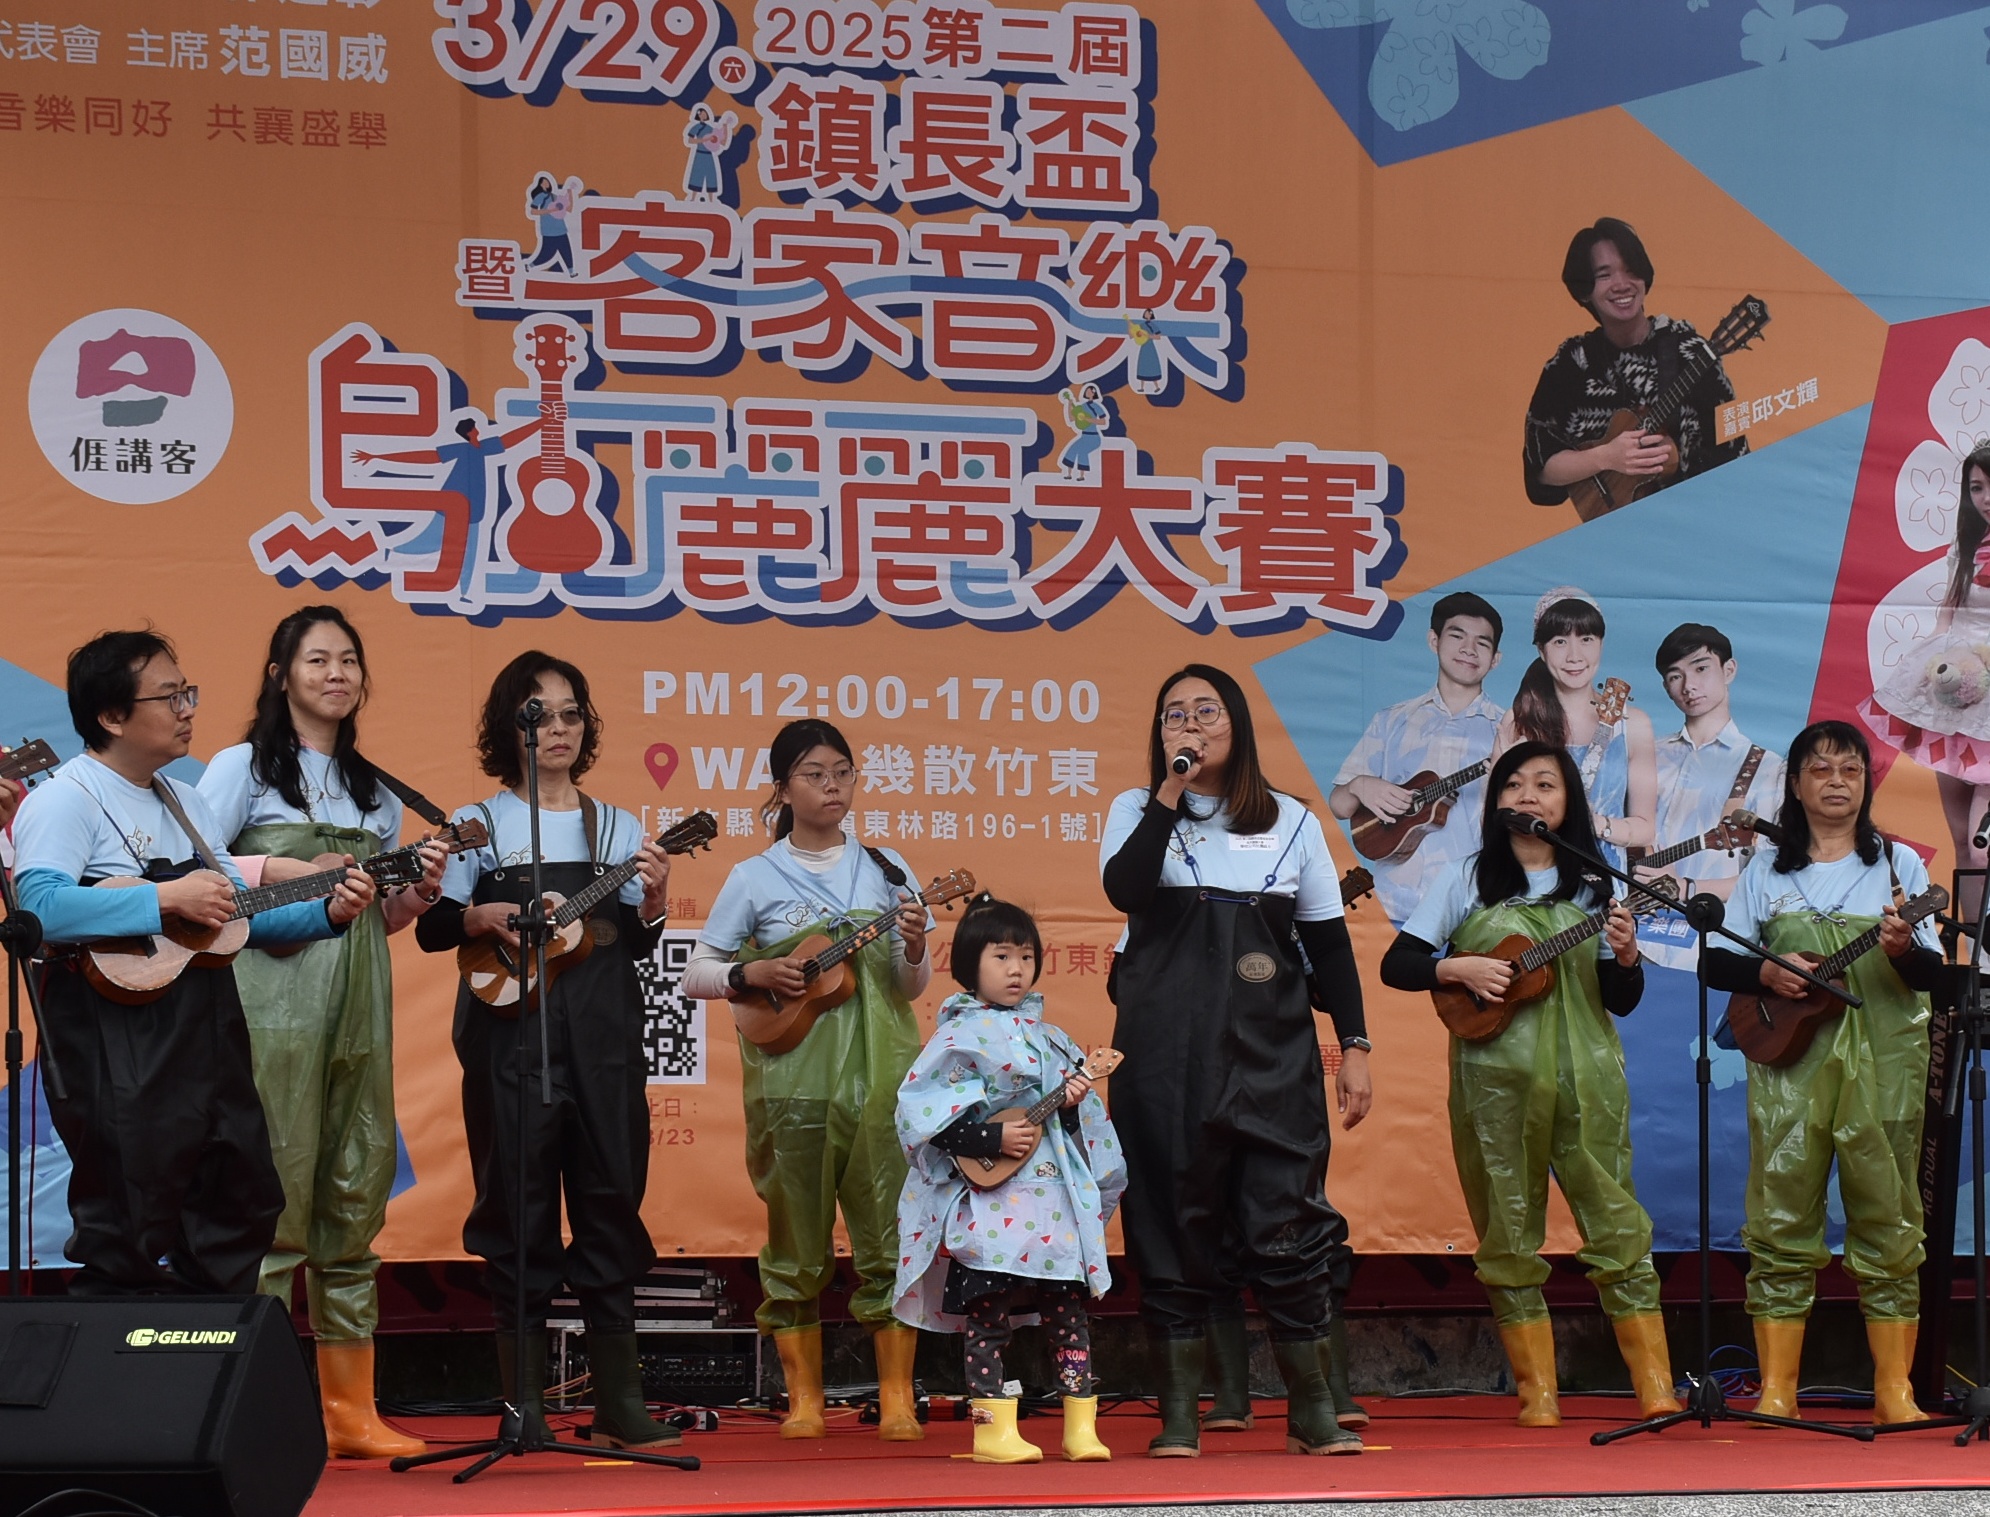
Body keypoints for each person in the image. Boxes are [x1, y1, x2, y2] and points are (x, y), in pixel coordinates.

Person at [12, 629, 374, 1297]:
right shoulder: (66, 796)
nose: (187, 710)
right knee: (129, 1208)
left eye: (188, 693)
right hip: (112, 1028)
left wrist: (328, 913)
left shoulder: (186, 799)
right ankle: (118, 1350)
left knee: (240, 1192)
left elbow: (231, 919)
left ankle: (209, 1343)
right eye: (169, 697)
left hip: (206, 1023)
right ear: (112, 715)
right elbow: (39, 909)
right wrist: (165, 897)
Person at [196, 606, 448, 1459]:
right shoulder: (240, 768)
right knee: (271, 1193)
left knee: (353, 1188)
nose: (336, 673)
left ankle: (350, 1413)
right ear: (281, 674)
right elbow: (194, 872)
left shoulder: (375, 787)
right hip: (272, 1001)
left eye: (348, 660)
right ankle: (251, 1410)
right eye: (317, 659)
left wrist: (419, 888)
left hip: (358, 1002)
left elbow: (383, 919)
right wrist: (286, 868)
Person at [413, 651, 681, 1451]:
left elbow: (634, 939)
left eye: (571, 714)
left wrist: (655, 900)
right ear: (509, 728)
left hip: (603, 1041)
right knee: (515, 1205)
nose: (558, 729)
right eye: (539, 715)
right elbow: (433, 927)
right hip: (508, 1037)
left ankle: (620, 1403)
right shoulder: (479, 823)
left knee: (609, 1199)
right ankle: (522, 1405)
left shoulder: (617, 827)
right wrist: (478, 914)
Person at [1100, 664, 1366, 1458]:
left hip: (1272, 1059)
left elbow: (1329, 945)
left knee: (1288, 1222)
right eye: (1173, 714)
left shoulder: (1292, 820)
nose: (1188, 724)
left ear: (1238, 724)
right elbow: (1126, 889)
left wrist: (1356, 1045)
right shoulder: (1136, 809)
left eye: (1205, 711)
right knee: (1169, 1224)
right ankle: (1181, 1414)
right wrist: (1170, 791)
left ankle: (1312, 1409)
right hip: (1164, 1062)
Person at [1379, 741, 1679, 1427]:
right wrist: (1456, 968)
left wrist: (1627, 956)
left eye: (1546, 783)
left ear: (1569, 801)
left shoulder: (1596, 886)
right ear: (1496, 802)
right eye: (1514, 784)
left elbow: (1622, 998)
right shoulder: (1466, 876)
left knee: (1616, 1223)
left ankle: (1656, 1385)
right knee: (1507, 1230)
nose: (1528, 795)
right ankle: (1537, 1392)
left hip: (1588, 1082)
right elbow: (1400, 963)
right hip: (1495, 1084)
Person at [680, 720, 930, 1441]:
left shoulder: (888, 869)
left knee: (888, 1234)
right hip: (790, 1087)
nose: (833, 787)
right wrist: (751, 971)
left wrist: (914, 945)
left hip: (880, 1084)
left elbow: (910, 988)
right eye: (815, 774)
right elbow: (698, 972)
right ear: (783, 788)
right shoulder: (753, 876)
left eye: (843, 772)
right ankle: (804, 1401)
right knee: (794, 1242)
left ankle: (898, 1397)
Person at [1701, 722, 1942, 1427]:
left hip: (1886, 1066)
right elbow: (1716, 960)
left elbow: (1931, 973)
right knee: (1779, 1214)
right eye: (1821, 768)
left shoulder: (1898, 866)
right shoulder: (1766, 871)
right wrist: (1767, 971)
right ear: (1796, 783)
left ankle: (1895, 1391)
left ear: (1866, 783)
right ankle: (1777, 1389)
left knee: (1890, 1214)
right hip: (1791, 1066)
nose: (1837, 781)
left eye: (1851, 769)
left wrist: (1900, 950)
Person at [892, 896, 1126, 1464]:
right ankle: (991, 1428)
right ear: (970, 963)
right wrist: (989, 1139)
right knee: (989, 1312)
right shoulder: (956, 1037)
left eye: (1025, 956)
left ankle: (1080, 1424)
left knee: (1067, 1311)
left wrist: (1071, 1104)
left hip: (1051, 1200)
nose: (1016, 969)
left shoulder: (1054, 1039)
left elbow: (1083, 1131)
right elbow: (924, 1116)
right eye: (1001, 956)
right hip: (990, 1202)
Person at [1523, 217, 1746, 511]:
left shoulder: (1690, 354)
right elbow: (1540, 471)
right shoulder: (1571, 365)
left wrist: (1681, 458)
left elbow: (1735, 454)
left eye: (1631, 271)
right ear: (1584, 289)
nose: (1621, 284)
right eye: (1604, 275)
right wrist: (1606, 457)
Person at [1862, 443, 1990, 924]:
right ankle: (1976, 955)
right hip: (1957, 698)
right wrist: (1926, 675)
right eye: (1976, 488)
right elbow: (1947, 618)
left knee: (1983, 846)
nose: (1985, 498)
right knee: (1962, 841)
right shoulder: (1968, 546)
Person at [1330, 591, 1506, 923]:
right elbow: (1340, 806)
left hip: (1475, 910)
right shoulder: (1391, 720)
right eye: (1457, 636)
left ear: (1495, 659)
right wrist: (1358, 785)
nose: (1469, 649)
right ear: (1433, 640)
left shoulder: (1509, 730)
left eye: (1482, 643)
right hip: (1394, 906)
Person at [1633, 623, 1786, 972]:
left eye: (1701, 668)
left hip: (1710, 948)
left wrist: (1687, 887)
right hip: (1630, 941)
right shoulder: (1646, 755)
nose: (1689, 686)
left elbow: (1771, 877)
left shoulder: (1769, 769)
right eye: (1675, 676)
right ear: (1666, 687)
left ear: (1728, 670)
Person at [1499, 588, 1655, 870]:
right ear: (1541, 650)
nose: (1574, 655)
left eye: (1586, 639)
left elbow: (1645, 828)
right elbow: (1494, 817)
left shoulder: (1634, 725)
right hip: (1529, 876)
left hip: (1603, 880)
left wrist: (1597, 824)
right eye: (1560, 641)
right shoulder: (1518, 720)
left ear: (1601, 644)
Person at [352, 409, 546, 606]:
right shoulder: (460, 449)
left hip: (475, 511)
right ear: (470, 432)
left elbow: (511, 439)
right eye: (475, 428)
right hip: (451, 505)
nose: (478, 430)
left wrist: (541, 423)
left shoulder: (485, 447)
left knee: (468, 554)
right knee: (429, 541)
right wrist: (379, 457)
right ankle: (389, 551)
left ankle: (464, 592)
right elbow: (426, 456)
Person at [682, 104, 736, 201]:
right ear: (698, 115)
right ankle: (693, 198)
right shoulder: (696, 127)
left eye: (705, 113)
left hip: (709, 155)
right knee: (697, 175)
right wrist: (704, 140)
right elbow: (690, 140)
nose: (704, 115)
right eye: (702, 113)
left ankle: (711, 200)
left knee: (711, 176)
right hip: (699, 154)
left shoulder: (710, 128)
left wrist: (725, 127)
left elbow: (722, 142)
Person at [1057, 384, 1108, 480]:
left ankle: (1082, 476)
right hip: (1084, 436)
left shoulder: (1096, 406)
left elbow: (1103, 421)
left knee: (1082, 451)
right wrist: (1069, 404)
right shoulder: (1081, 407)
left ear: (1093, 393)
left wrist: (1088, 419)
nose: (1087, 392)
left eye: (1089, 391)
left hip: (1094, 437)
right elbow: (1071, 419)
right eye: (1086, 391)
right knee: (1072, 449)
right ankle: (1069, 474)